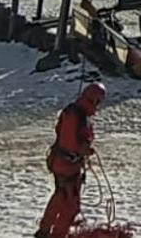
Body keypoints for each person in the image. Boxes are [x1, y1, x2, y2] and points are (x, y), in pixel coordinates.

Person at [37, 81, 105, 238]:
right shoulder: (77, 115)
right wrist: (85, 150)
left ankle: (44, 231)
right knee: (71, 206)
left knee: (60, 197)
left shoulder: (73, 111)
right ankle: (58, 235)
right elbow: (71, 142)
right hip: (68, 165)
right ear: (94, 100)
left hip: (60, 162)